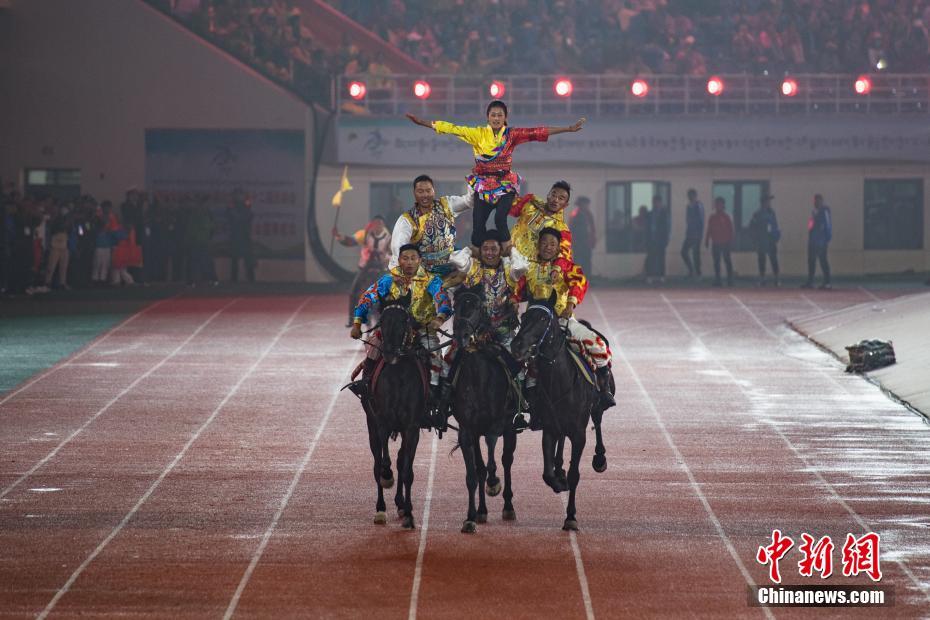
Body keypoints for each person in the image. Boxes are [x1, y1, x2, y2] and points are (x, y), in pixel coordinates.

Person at [405, 101, 585, 252]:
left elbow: (537, 132)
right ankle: (477, 262)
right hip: (482, 185)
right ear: (488, 117)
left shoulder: (512, 135)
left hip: (505, 184)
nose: (496, 118)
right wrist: (423, 122)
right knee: (477, 226)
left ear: (505, 118)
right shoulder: (477, 134)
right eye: (493, 115)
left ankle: (509, 257)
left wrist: (568, 129)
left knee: (500, 219)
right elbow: (451, 128)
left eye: (500, 115)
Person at [514, 227, 616, 417]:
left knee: (598, 346)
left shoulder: (566, 266)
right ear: (537, 244)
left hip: (563, 321)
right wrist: (512, 300)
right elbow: (516, 290)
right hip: (534, 326)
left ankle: (604, 390)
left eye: (552, 244)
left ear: (559, 247)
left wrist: (571, 303)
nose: (548, 247)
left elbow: (579, 282)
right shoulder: (527, 268)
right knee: (515, 355)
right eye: (544, 243)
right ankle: (524, 402)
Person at [348, 243, 452, 429]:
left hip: (421, 332)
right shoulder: (388, 280)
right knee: (373, 351)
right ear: (399, 260)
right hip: (390, 332)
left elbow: (443, 300)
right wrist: (357, 323)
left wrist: (439, 319)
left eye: (413, 258)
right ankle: (366, 386)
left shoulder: (431, 280)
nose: (410, 262)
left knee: (439, 363)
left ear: (420, 260)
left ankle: (435, 404)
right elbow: (366, 298)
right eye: (405, 258)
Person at [447, 229, 529, 429]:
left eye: (494, 248)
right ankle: (443, 403)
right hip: (474, 332)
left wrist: (511, 251)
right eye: (485, 249)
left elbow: (523, 265)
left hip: (502, 331)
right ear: (479, 250)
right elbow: (456, 259)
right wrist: (471, 251)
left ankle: (520, 406)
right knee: (450, 361)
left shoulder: (510, 268)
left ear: (501, 250)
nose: (489, 252)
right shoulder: (472, 267)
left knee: (517, 366)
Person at [389, 174, 473, 282]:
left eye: (428, 191)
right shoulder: (407, 220)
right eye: (420, 191)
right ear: (414, 193)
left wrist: (474, 184)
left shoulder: (446, 205)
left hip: (451, 261)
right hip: (424, 270)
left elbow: (468, 201)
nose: (425, 195)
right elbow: (398, 248)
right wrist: (399, 272)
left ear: (434, 191)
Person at [334, 215, 392, 326]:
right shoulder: (365, 234)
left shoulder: (389, 238)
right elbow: (350, 241)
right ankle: (352, 319)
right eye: (375, 223)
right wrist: (339, 236)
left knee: (391, 292)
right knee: (353, 291)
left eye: (379, 224)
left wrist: (387, 258)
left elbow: (392, 252)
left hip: (381, 268)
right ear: (372, 224)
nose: (377, 226)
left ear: (383, 225)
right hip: (366, 266)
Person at [509, 180, 576, 264]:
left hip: (533, 271)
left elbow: (564, 256)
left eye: (561, 198)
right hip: (510, 259)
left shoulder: (562, 229)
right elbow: (509, 208)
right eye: (553, 195)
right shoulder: (530, 205)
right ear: (548, 195)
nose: (555, 200)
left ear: (565, 205)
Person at [802, 194, 832, 290]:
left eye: (817, 201)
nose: (815, 203)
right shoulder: (814, 212)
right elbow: (810, 226)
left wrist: (827, 238)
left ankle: (827, 282)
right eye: (815, 201)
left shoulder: (825, 211)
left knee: (823, 261)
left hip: (821, 241)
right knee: (811, 261)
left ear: (821, 201)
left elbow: (828, 225)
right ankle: (810, 281)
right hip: (813, 241)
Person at [750, 194, 780, 286]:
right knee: (762, 260)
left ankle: (776, 279)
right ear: (763, 202)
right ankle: (762, 279)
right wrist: (755, 240)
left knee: (774, 260)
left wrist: (776, 236)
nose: (769, 203)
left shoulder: (772, 213)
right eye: (767, 201)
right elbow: (752, 227)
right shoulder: (757, 214)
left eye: (769, 201)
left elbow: (775, 226)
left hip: (771, 240)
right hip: (762, 240)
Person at [704, 197, 734, 287]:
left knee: (727, 261)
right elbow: (709, 229)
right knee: (716, 262)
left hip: (725, 242)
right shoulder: (712, 217)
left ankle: (730, 280)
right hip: (716, 242)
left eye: (720, 204)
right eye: (717, 204)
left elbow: (731, 230)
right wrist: (707, 240)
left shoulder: (727, 216)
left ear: (723, 205)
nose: (718, 206)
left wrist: (731, 241)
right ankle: (718, 280)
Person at [227, 189, 255, 282]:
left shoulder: (247, 207)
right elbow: (231, 217)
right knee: (235, 259)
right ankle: (233, 279)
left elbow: (249, 216)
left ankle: (251, 279)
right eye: (238, 195)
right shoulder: (232, 207)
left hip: (245, 236)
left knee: (248, 259)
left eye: (241, 195)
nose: (240, 197)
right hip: (235, 236)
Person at [568, 195, 596, 276]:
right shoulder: (576, 215)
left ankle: (587, 277)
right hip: (579, 242)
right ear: (581, 204)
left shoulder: (588, 214)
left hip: (586, 242)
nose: (587, 206)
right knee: (579, 261)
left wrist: (592, 239)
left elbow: (592, 228)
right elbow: (575, 230)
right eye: (585, 204)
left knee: (587, 260)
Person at [645, 195, 670, 284]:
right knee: (650, 258)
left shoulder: (664, 214)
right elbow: (646, 228)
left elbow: (667, 228)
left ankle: (661, 276)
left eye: (657, 202)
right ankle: (649, 276)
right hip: (651, 239)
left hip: (661, 240)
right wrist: (646, 239)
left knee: (661, 258)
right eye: (654, 202)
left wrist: (667, 239)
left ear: (660, 203)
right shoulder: (649, 214)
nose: (656, 204)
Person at [680, 188, 704, 279]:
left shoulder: (699, 205)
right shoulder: (688, 206)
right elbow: (688, 220)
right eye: (689, 196)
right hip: (689, 233)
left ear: (695, 196)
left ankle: (698, 273)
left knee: (696, 253)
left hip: (697, 233)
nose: (690, 197)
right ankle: (691, 269)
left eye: (692, 195)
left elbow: (701, 220)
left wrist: (700, 234)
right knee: (683, 251)